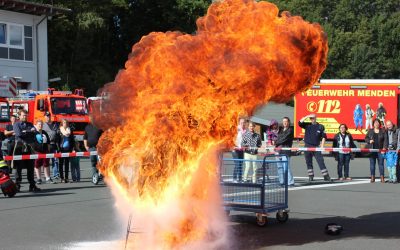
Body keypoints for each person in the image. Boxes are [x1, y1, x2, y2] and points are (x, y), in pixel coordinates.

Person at [12, 109, 41, 192]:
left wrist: (26, 132)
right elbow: (19, 134)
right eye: (23, 115)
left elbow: (35, 133)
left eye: (26, 115)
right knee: (18, 168)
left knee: (30, 167)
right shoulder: (16, 125)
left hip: (29, 148)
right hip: (19, 147)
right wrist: (29, 132)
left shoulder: (30, 124)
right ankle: (17, 185)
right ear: (19, 116)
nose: (25, 117)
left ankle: (32, 185)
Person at [298, 113, 332, 182]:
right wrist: (307, 116)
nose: (312, 119)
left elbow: (324, 137)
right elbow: (299, 123)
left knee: (321, 161)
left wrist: (322, 146)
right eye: (311, 118)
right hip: (307, 146)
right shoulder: (307, 125)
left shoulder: (320, 126)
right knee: (308, 162)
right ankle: (311, 176)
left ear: (316, 118)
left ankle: (326, 176)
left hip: (316, 147)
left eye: (313, 118)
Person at [365, 119, 387, 183]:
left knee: (381, 164)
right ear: (373, 124)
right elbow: (366, 138)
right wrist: (369, 141)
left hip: (380, 150)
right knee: (372, 164)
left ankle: (382, 177)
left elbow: (386, 140)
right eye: (375, 123)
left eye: (377, 123)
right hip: (372, 150)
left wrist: (384, 147)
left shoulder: (382, 131)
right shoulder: (370, 131)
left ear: (379, 124)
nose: (376, 124)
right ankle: (372, 177)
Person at [275, 117, 295, 187]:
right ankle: (282, 181)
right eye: (283, 121)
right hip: (278, 151)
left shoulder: (290, 130)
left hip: (285, 151)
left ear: (288, 122)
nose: (285, 123)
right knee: (279, 167)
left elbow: (283, 139)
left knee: (286, 167)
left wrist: (276, 142)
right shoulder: (281, 130)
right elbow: (278, 138)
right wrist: (277, 142)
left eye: (286, 121)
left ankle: (290, 182)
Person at [33, 120, 54, 184]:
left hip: (45, 151)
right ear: (36, 125)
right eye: (39, 124)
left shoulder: (44, 132)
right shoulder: (34, 133)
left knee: (46, 164)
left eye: (41, 124)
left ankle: (47, 177)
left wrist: (48, 150)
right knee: (37, 164)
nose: (40, 125)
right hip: (37, 151)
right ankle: (39, 178)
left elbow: (48, 142)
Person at [42, 112, 60, 180]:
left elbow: (58, 133)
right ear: (44, 117)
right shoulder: (43, 125)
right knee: (46, 161)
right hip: (46, 145)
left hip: (54, 144)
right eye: (46, 116)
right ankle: (46, 175)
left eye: (49, 116)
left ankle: (55, 174)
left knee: (55, 160)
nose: (48, 117)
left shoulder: (55, 124)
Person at [58, 119, 75, 183]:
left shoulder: (70, 130)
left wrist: (73, 149)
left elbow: (72, 140)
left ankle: (66, 178)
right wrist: (58, 150)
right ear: (62, 124)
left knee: (67, 164)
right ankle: (62, 178)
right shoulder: (59, 131)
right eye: (64, 123)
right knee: (61, 164)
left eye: (66, 123)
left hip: (68, 149)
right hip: (61, 150)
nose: (65, 124)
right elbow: (57, 141)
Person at [231, 118, 246, 182]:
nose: (242, 124)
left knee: (240, 164)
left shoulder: (245, 130)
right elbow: (232, 139)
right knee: (237, 164)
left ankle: (240, 178)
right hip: (235, 149)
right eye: (241, 122)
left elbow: (245, 140)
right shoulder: (236, 129)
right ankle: (234, 178)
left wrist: (244, 146)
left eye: (243, 122)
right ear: (239, 123)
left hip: (241, 150)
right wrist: (235, 146)